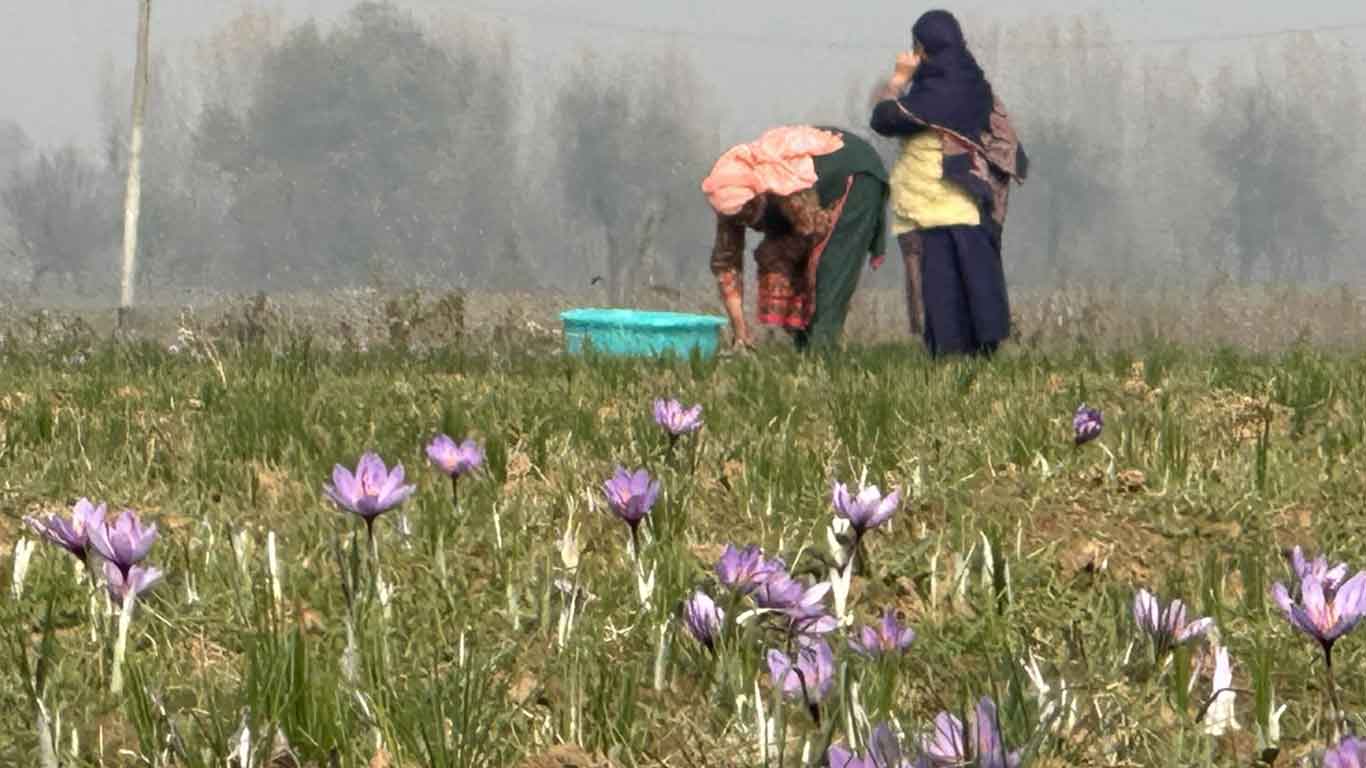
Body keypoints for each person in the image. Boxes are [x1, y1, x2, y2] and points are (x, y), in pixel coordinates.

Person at [870, 9, 1028, 358]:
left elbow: (884, 118)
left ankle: (950, 357)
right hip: (970, 201)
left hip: (934, 201)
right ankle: (984, 353)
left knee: (941, 288)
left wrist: (898, 79)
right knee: (977, 281)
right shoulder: (974, 84)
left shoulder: (934, 92)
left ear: (924, 48)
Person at [702, 125, 890, 351]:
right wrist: (740, 333)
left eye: (748, 208)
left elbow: (815, 229)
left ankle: (823, 353)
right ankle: (803, 347)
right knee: (776, 260)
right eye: (738, 213)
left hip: (853, 173)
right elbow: (727, 266)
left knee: (828, 268)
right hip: (811, 207)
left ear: (759, 193)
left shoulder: (785, 185)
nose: (745, 217)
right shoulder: (731, 196)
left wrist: (779, 256)